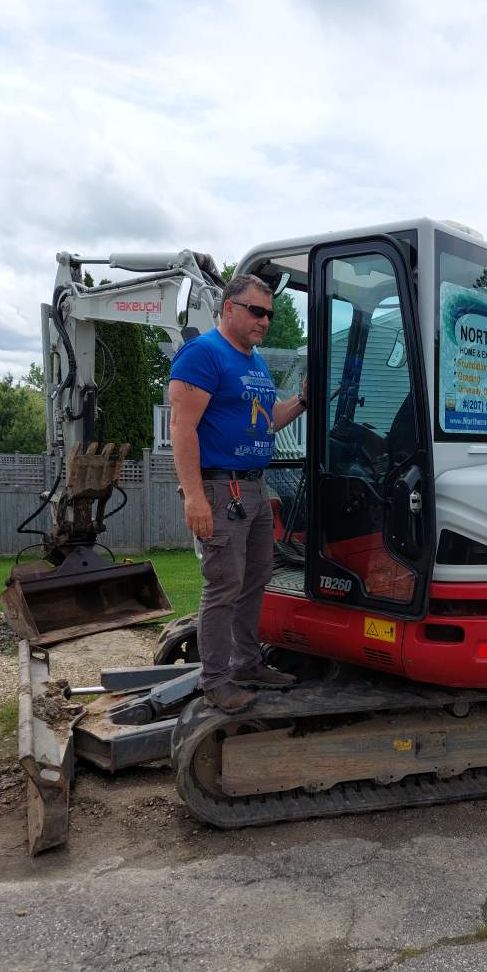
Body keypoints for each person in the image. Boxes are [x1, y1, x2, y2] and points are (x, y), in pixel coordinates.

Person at [168, 274, 307, 712]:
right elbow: (182, 427)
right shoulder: (203, 354)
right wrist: (194, 497)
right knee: (224, 586)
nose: (264, 321)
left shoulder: (255, 363)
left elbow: (265, 422)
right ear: (229, 308)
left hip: (253, 487)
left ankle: (247, 663)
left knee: (255, 580)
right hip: (220, 486)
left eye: (269, 313)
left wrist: (302, 400)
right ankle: (215, 681)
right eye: (256, 311)